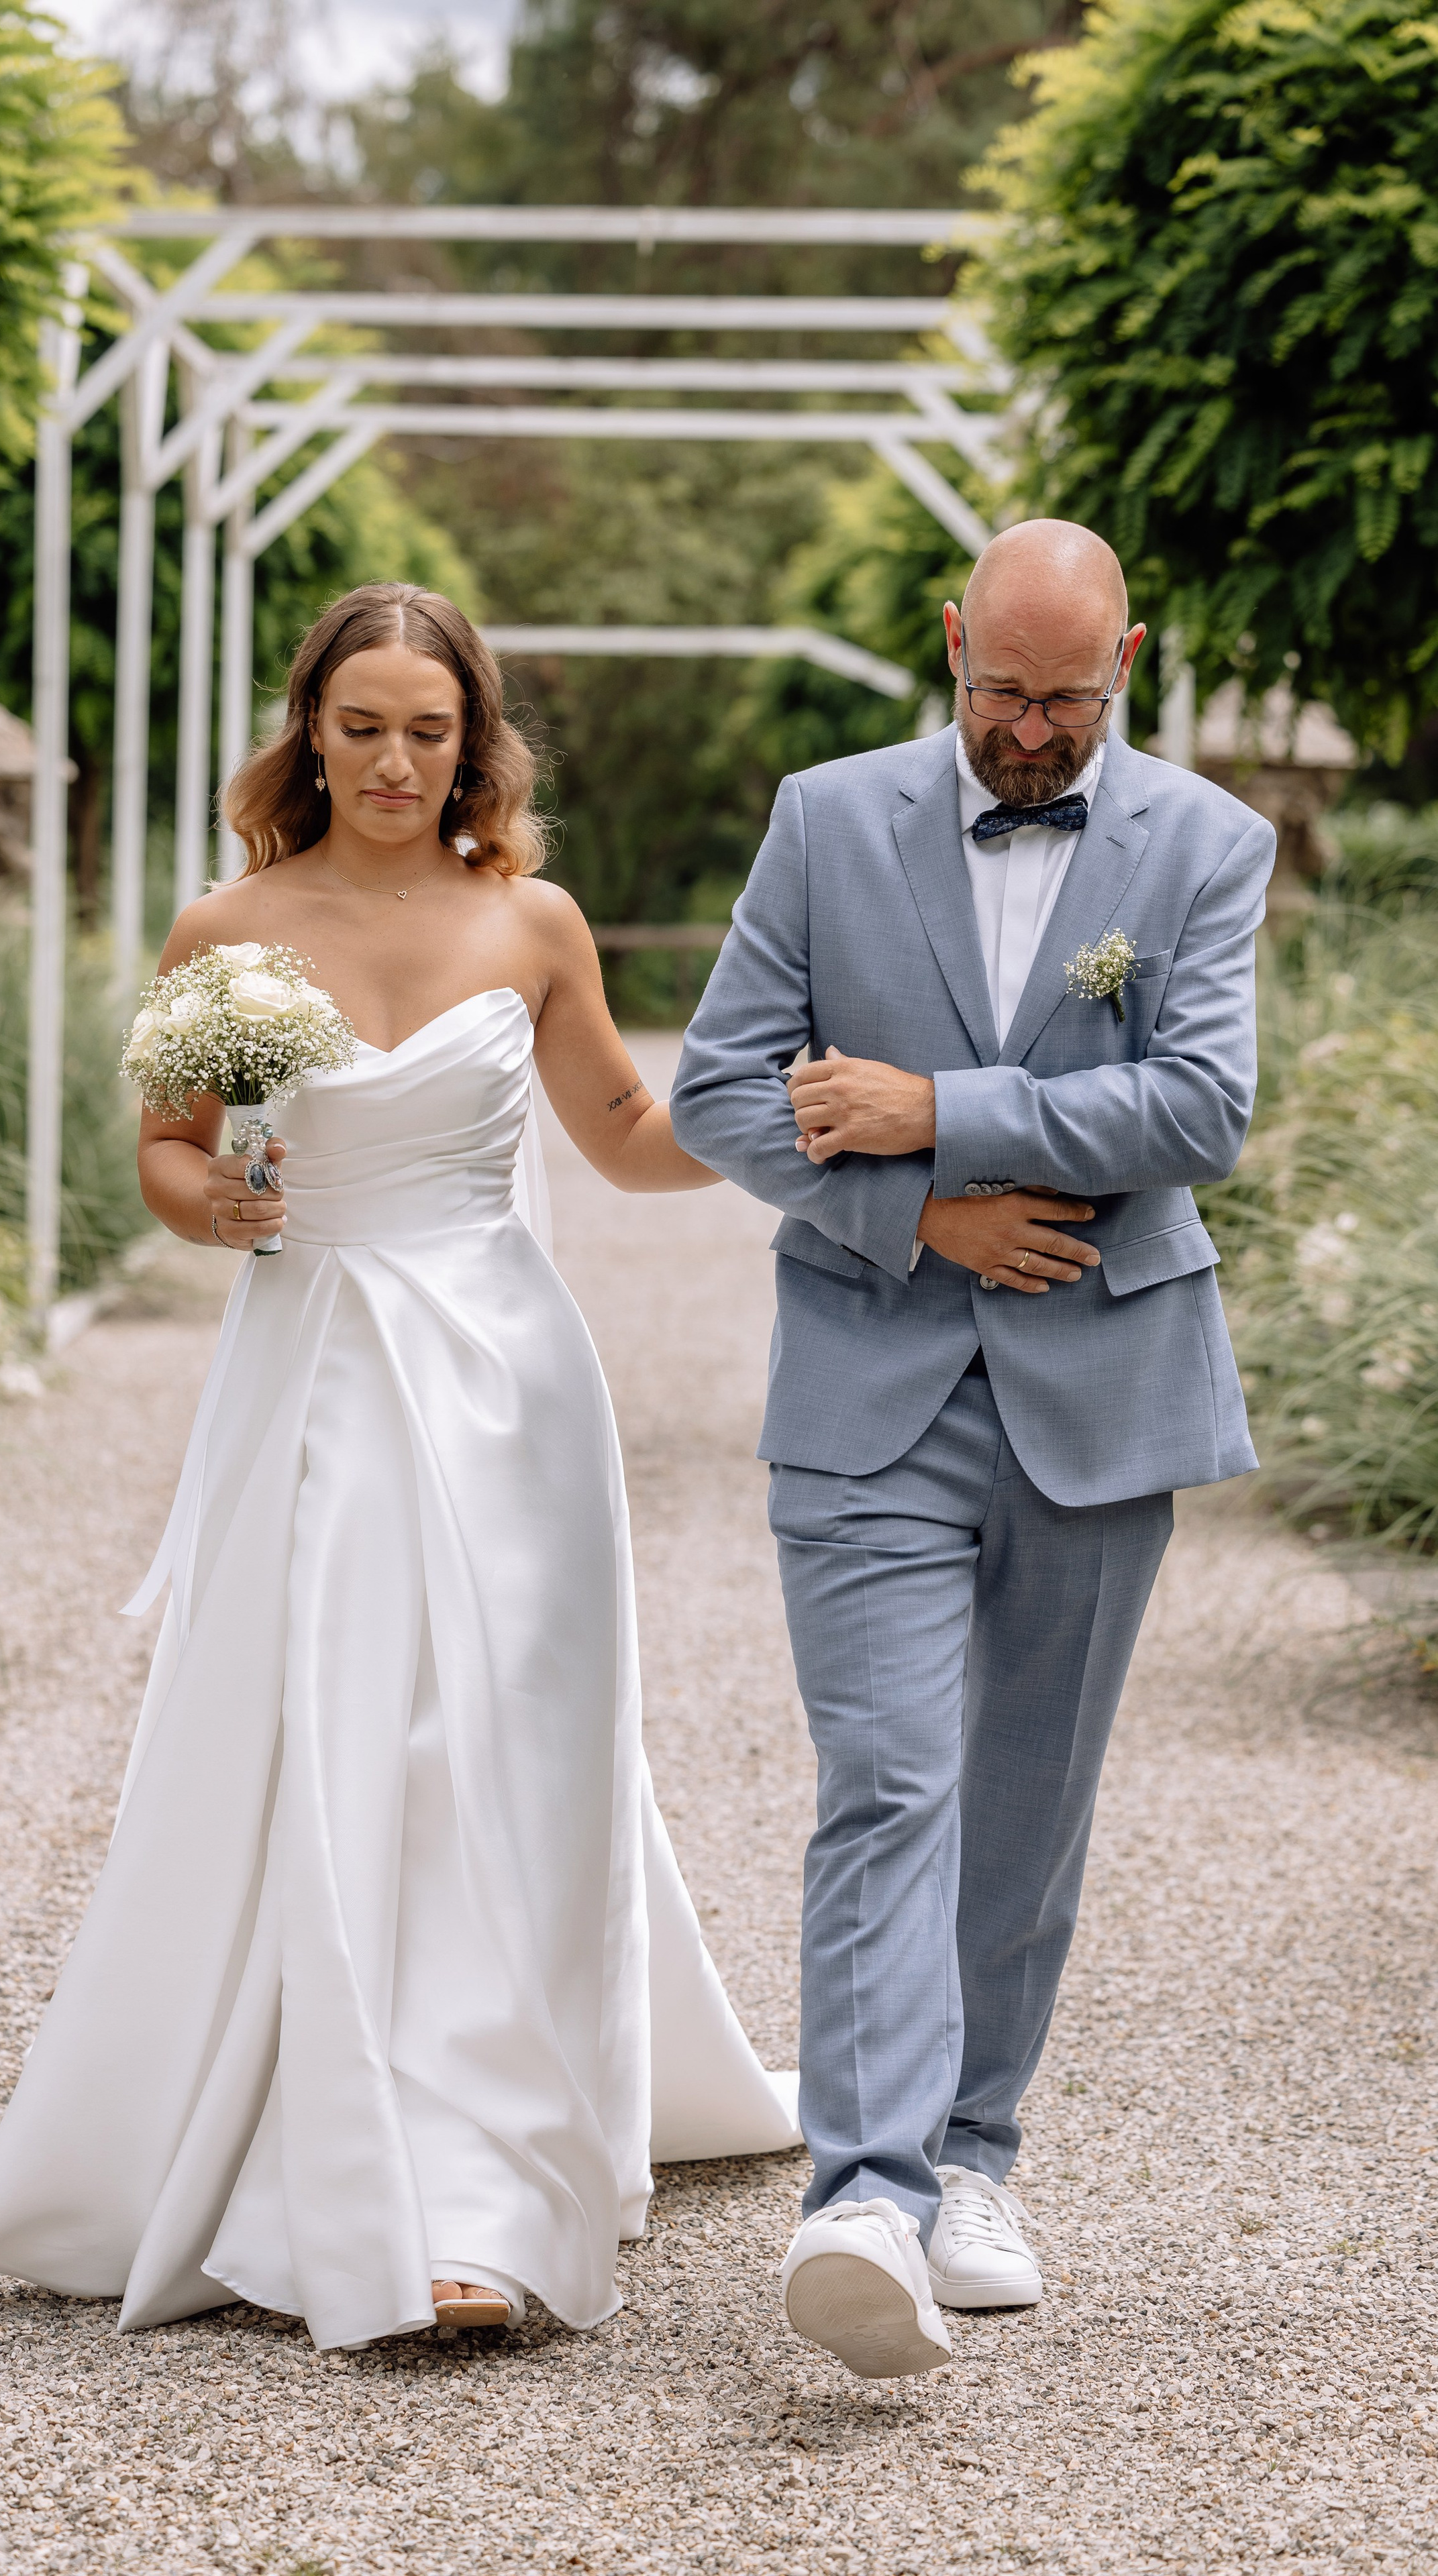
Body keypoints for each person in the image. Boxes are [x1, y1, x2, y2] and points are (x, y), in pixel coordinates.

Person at [0, 583, 797, 2348]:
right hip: (316, 1368)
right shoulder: (227, 930)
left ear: (475, 744)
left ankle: (486, 2176)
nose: (397, 762)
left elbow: (629, 1138)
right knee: (331, 1730)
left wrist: (796, 1115)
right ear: (311, 732)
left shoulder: (533, 920)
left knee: (501, 1745)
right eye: (364, 726)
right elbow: (169, 1155)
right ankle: (336, 2147)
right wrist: (218, 1207)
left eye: (430, 730)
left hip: (509, 1385)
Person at [670, 519, 1274, 2381]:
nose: (1028, 730)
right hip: (871, 1384)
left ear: (1127, 665)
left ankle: (975, 2160)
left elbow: (1202, 1106)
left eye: (1066, 699)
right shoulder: (825, 819)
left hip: (1107, 1387)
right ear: (950, 643)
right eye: (1000, 689)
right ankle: (861, 2191)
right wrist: (918, 1214)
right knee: (887, 1778)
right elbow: (719, 1091)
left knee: (1028, 1797)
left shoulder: (1209, 843)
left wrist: (934, 1110)